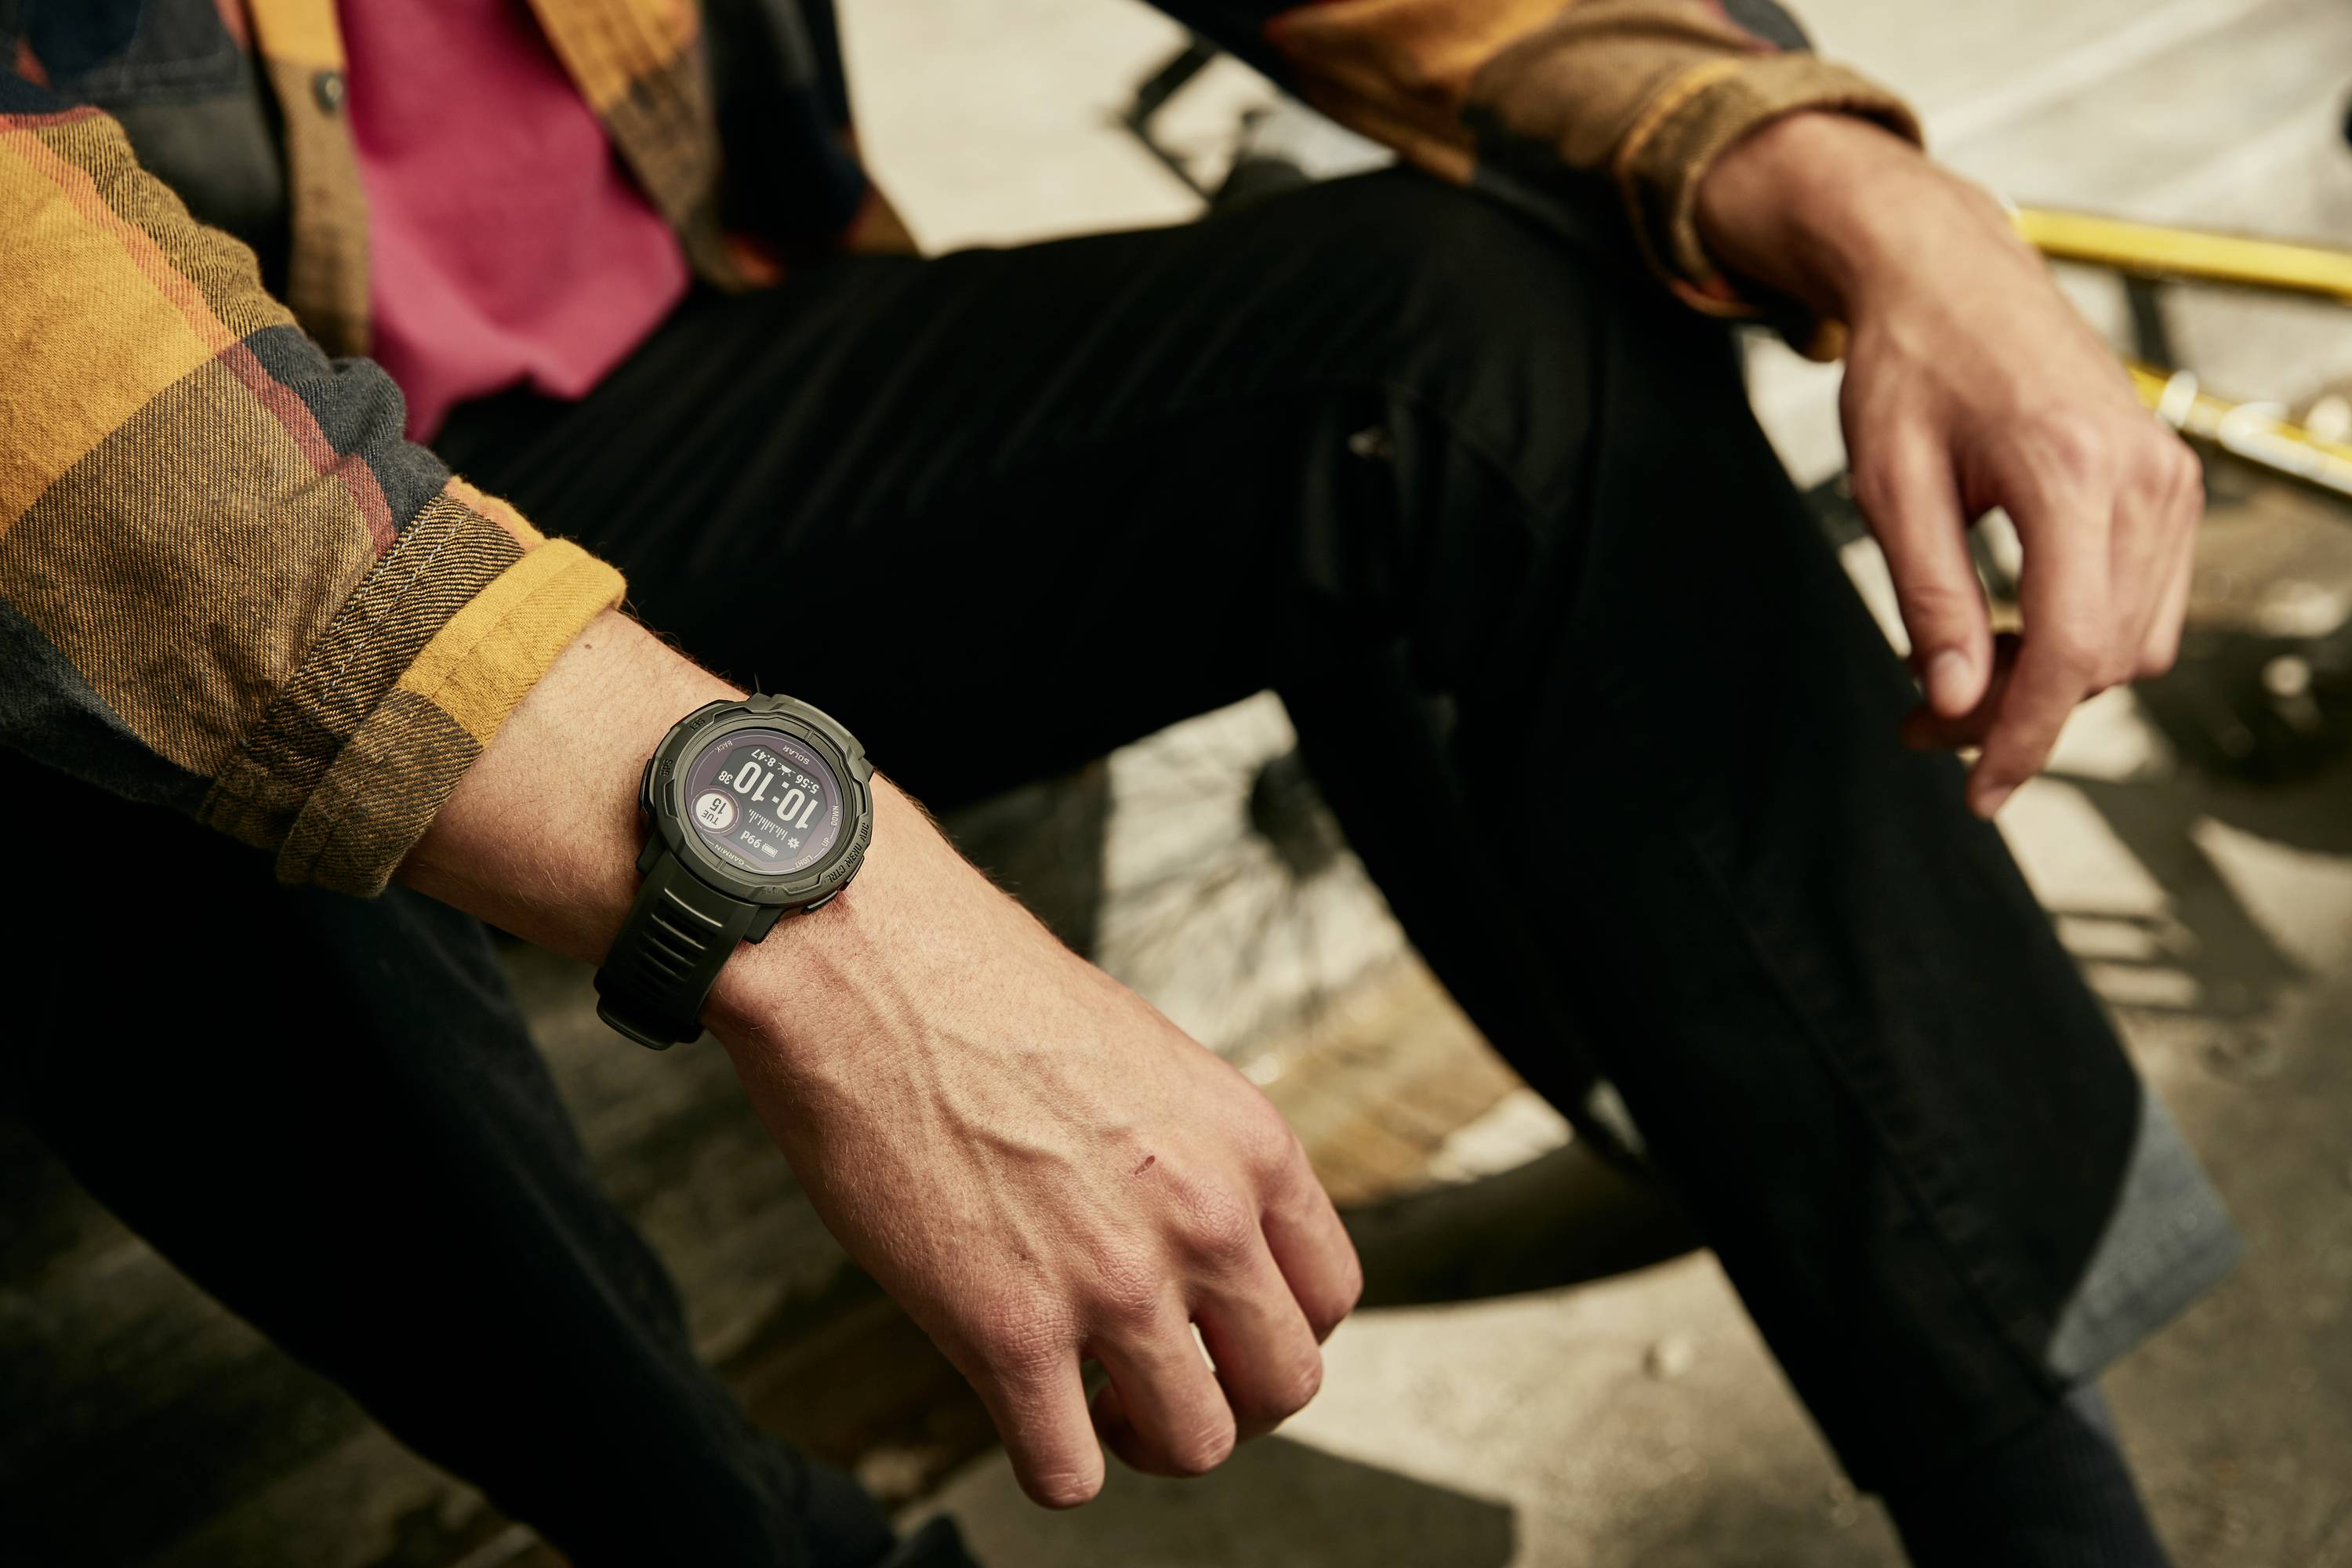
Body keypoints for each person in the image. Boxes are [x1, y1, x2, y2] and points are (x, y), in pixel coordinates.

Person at [0, 2, 2234, 1564]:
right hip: (158, 482)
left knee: (1474, 340)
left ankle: (2035, 1488)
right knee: (129, 713)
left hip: (645, 406)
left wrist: (1846, 182)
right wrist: (819, 904)